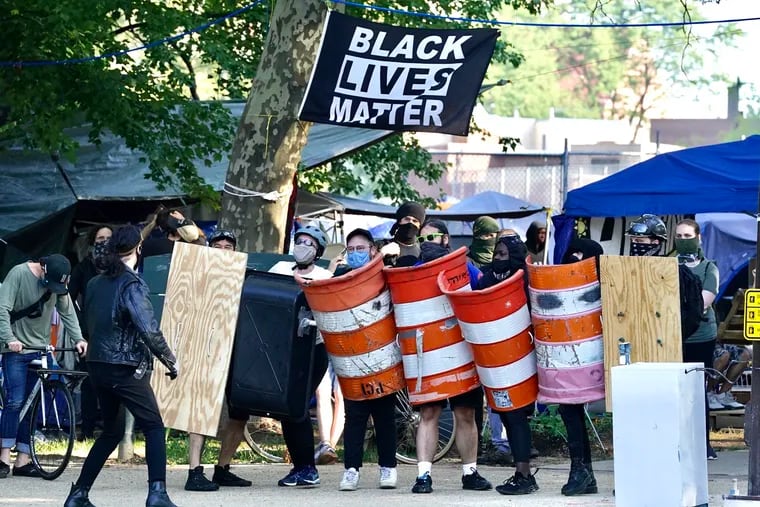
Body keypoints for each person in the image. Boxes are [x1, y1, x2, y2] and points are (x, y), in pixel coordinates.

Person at [64, 225, 178, 507]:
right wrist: (169, 359)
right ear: (138, 249)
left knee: (112, 432)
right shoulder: (132, 284)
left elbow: (91, 321)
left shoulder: (94, 283)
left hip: (98, 364)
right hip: (123, 366)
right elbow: (148, 329)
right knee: (153, 426)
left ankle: (78, 494)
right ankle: (157, 495)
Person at [627, 215, 718, 460]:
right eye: (679, 236)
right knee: (671, 391)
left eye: (688, 236)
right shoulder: (666, 264)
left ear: (698, 238)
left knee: (697, 392)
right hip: (668, 336)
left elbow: (703, 303)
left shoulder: (709, 268)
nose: (683, 240)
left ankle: (703, 443)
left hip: (700, 337)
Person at [410, 221, 491, 494]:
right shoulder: (413, 272)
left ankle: (470, 473)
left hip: (461, 353)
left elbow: (481, 294)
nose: (428, 242)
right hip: (430, 354)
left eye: (433, 236)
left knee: (465, 413)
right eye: (423, 238)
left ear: (446, 239)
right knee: (429, 412)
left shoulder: (464, 267)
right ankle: (423, 476)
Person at [0, 254, 87, 479]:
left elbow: (67, 311)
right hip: (15, 349)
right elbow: (2, 308)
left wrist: (79, 339)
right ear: (43, 268)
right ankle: (3, 458)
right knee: (15, 401)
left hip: (39, 348)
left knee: (31, 404)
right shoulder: (19, 274)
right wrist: (9, 338)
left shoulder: (58, 283)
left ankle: (23, 460)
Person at [329, 229, 399, 491]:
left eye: (362, 248)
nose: (356, 253)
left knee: (384, 416)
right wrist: (332, 269)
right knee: (355, 416)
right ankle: (351, 470)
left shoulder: (383, 273)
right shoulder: (340, 276)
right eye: (352, 249)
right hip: (352, 359)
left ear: (372, 249)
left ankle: (388, 468)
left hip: (381, 355)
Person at [184, 229, 252, 491]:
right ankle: (194, 471)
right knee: (200, 411)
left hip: (237, 352)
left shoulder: (246, 276)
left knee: (239, 413)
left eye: (229, 245)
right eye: (218, 245)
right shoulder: (197, 274)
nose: (224, 249)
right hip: (206, 350)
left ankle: (222, 469)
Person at [268, 225, 331, 487]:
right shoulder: (279, 270)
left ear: (317, 252)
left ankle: (308, 468)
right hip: (284, 349)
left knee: (298, 404)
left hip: (312, 349)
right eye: (300, 241)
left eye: (310, 243)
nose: (302, 246)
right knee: (287, 408)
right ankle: (299, 466)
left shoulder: (324, 276)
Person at [476, 235, 539, 495]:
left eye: (503, 255)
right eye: (495, 255)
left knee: (516, 416)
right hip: (497, 360)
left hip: (521, 360)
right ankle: (522, 473)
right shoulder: (488, 281)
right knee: (508, 414)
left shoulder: (527, 281)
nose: (498, 260)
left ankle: (524, 474)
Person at [557, 237, 605, 496]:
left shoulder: (607, 283)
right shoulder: (561, 284)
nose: (574, 258)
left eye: (580, 254)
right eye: (571, 253)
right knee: (569, 409)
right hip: (572, 358)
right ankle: (581, 471)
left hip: (606, 355)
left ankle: (635, 473)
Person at [69, 224, 113, 440]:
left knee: (111, 382)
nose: (104, 241)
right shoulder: (84, 267)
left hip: (113, 332)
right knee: (89, 382)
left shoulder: (118, 266)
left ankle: (109, 428)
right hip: (89, 332)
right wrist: (78, 327)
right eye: (100, 237)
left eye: (108, 237)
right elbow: (67, 297)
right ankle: (86, 430)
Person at [379, 201, 426, 267]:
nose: (410, 223)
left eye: (415, 221)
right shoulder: (382, 246)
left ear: (419, 225)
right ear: (399, 221)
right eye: (407, 219)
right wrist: (382, 254)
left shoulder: (423, 251)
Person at [708, 343, 750, 410]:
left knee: (744, 355)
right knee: (724, 355)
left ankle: (723, 395)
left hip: (721, 342)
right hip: (702, 342)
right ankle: (709, 394)